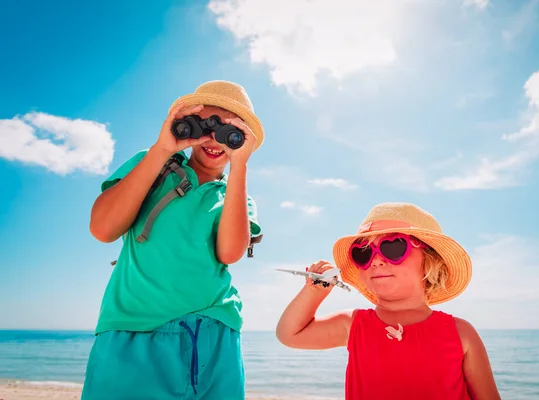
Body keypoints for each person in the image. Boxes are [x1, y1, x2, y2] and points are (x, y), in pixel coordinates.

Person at [82, 80, 265, 400]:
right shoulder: (153, 162)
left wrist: (240, 167)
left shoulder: (236, 194)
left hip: (212, 330)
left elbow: (229, 253)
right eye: (206, 125)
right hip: (132, 325)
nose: (215, 138)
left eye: (229, 131)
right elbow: (103, 229)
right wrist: (162, 148)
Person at [276, 202, 502, 400]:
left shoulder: (460, 332)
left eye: (392, 247)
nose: (376, 261)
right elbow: (289, 334)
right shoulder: (354, 325)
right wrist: (315, 292)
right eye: (363, 253)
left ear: (430, 260)